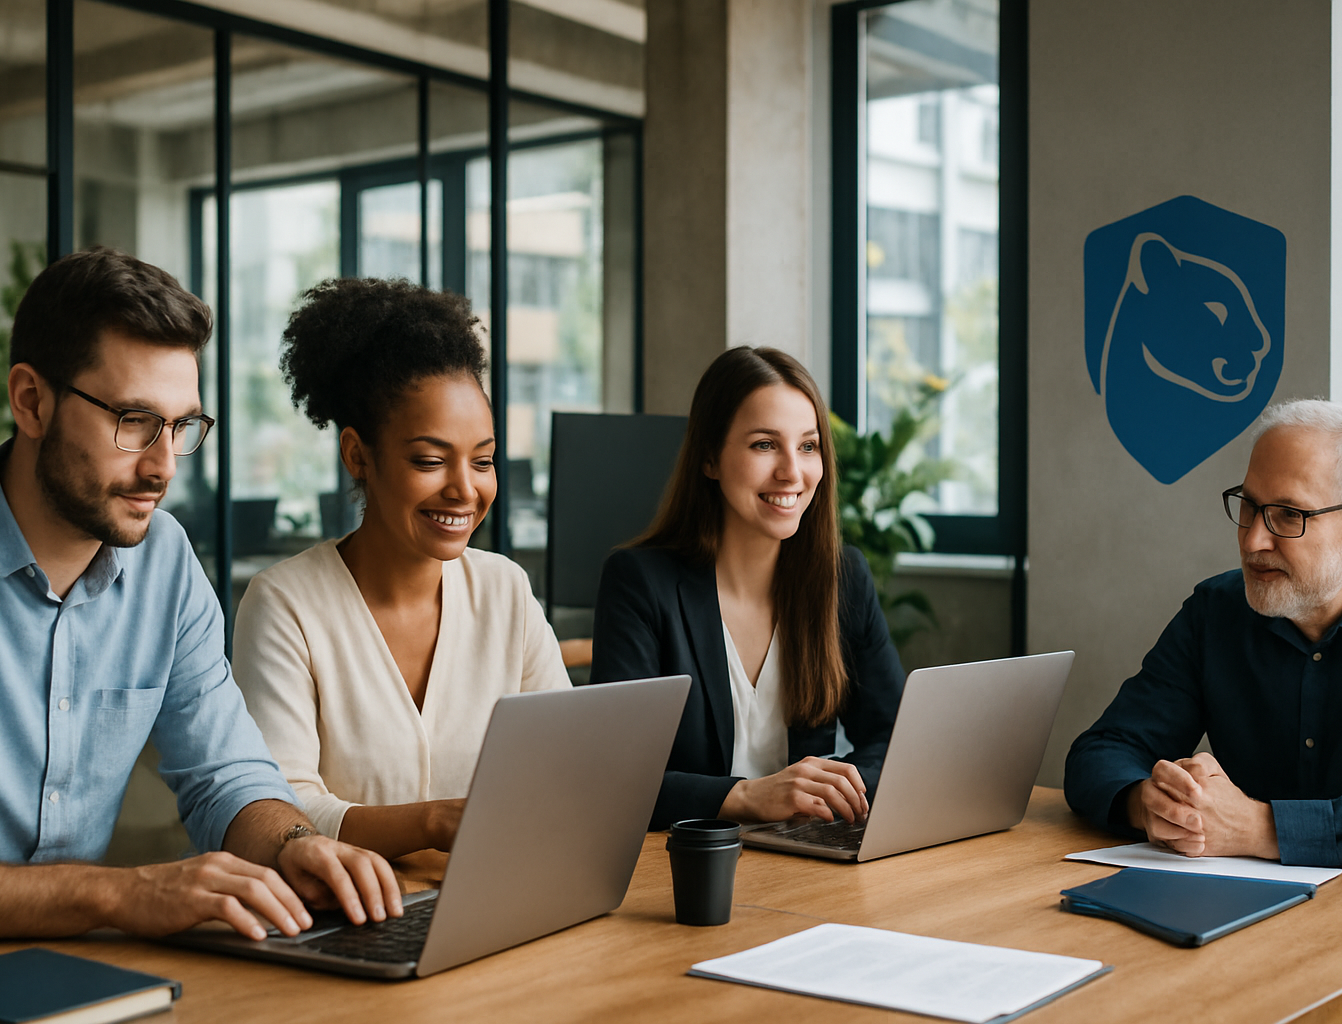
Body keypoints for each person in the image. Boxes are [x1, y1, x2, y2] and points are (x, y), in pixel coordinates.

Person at [0, 247, 403, 942]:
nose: (163, 466)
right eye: (133, 421)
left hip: (68, 977)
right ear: (31, 401)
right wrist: (118, 895)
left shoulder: (164, 561)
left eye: (183, 426)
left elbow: (226, 776)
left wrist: (293, 846)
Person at [231, 278, 570, 860]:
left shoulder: (504, 589)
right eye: (430, 460)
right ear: (358, 454)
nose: (465, 489)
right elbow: (281, 806)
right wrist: (433, 823)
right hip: (344, 915)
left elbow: (568, 757)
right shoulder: (284, 603)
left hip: (489, 901)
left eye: (483, 461)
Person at [1065, 399, 1342, 871]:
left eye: (1288, 515)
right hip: (1236, 902)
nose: (1252, 541)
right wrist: (1154, 805)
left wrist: (1260, 828)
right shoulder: (1216, 611)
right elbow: (1102, 752)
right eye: (1249, 505)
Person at [590, 346, 905, 831]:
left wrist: (835, 792)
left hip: (805, 858)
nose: (792, 473)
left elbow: (895, 736)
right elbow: (614, 777)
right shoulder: (640, 584)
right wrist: (746, 797)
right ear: (711, 458)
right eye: (764, 445)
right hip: (687, 865)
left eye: (808, 446)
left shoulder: (843, 579)